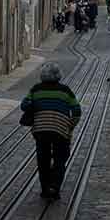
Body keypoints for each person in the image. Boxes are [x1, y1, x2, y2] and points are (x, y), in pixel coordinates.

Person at [20, 62, 81, 199]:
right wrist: (70, 125)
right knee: (61, 157)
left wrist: (34, 106)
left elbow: (24, 105)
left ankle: (45, 188)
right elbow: (77, 110)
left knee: (43, 159)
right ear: (58, 75)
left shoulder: (36, 90)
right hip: (60, 129)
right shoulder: (65, 91)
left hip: (40, 130)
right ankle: (55, 187)